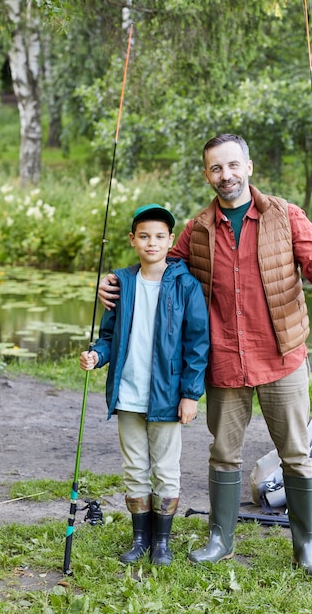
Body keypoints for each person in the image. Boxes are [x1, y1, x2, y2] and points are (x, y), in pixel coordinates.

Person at [98, 134, 312, 575]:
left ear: (248, 167)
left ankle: (306, 548)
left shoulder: (286, 215)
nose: (225, 175)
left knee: (295, 453)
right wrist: (117, 284)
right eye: (216, 168)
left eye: (233, 166)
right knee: (223, 453)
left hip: (280, 356)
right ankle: (220, 539)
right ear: (207, 174)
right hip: (226, 360)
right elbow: (160, 267)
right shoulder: (197, 229)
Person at [80, 203, 209, 566]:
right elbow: (108, 337)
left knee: (166, 469)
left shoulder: (186, 285)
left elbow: (197, 344)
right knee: (134, 468)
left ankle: (162, 544)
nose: (152, 242)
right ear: (133, 240)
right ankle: (140, 539)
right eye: (144, 236)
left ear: (171, 240)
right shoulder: (122, 283)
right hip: (128, 395)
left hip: (168, 397)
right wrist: (96, 355)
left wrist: (190, 394)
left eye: (159, 236)